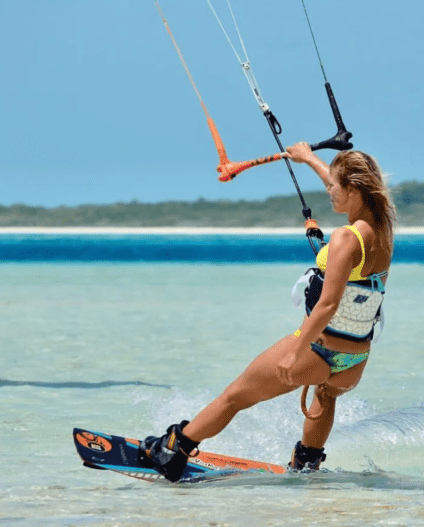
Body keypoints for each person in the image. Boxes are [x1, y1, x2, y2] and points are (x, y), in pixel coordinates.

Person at [140, 143, 396, 482]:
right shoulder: (382, 227)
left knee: (234, 397)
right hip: (354, 360)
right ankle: (307, 463)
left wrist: (297, 351)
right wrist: (308, 159)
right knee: (326, 395)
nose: (329, 192)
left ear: (353, 190)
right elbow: (340, 185)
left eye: (334, 187)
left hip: (318, 349)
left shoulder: (346, 238)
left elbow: (329, 304)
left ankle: (172, 450)